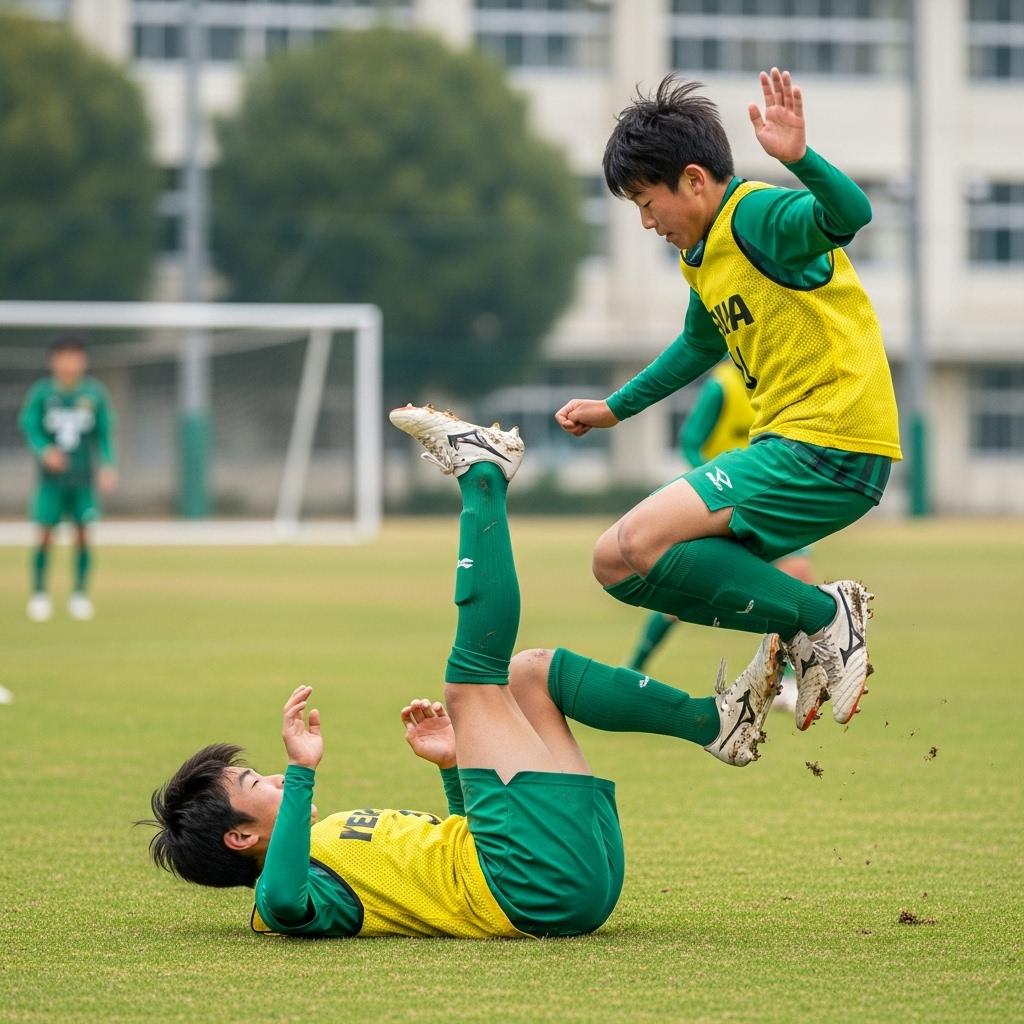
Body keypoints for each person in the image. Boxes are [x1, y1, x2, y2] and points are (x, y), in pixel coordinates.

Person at [142, 408, 785, 940]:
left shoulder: (326, 835)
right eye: (254, 781)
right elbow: (284, 900)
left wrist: (454, 768)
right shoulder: (287, 894)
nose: (276, 777)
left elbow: (463, 850)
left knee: (531, 673)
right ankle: (481, 475)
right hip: (533, 889)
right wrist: (303, 770)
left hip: (560, 877)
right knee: (470, 680)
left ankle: (712, 723)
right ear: (241, 836)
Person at [555, 69, 900, 731]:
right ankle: (803, 628)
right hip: (792, 445)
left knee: (641, 539)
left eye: (647, 201)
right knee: (617, 565)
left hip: (831, 438)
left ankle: (822, 615)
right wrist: (613, 409)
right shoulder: (702, 257)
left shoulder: (755, 216)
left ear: (693, 180)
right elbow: (696, 345)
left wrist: (800, 159)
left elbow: (850, 216)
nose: (647, 221)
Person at [626, 360, 814, 720]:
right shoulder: (723, 386)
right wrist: (713, 483)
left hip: (767, 502)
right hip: (722, 503)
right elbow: (690, 442)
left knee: (797, 577)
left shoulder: (784, 384)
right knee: (682, 596)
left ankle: (787, 682)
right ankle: (634, 667)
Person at [18, 334, 118, 622]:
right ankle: (39, 594)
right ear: (53, 361)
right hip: (51, 481)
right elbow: (30, 427)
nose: (70, 362)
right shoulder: (42, 393)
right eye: (64, 356)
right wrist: (45, 451)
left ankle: (80, 594)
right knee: (45, 534)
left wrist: (108, 465)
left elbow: (104, 434)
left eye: (75, 356)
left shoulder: (94, 394)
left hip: (83, 479)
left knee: (84, 534)